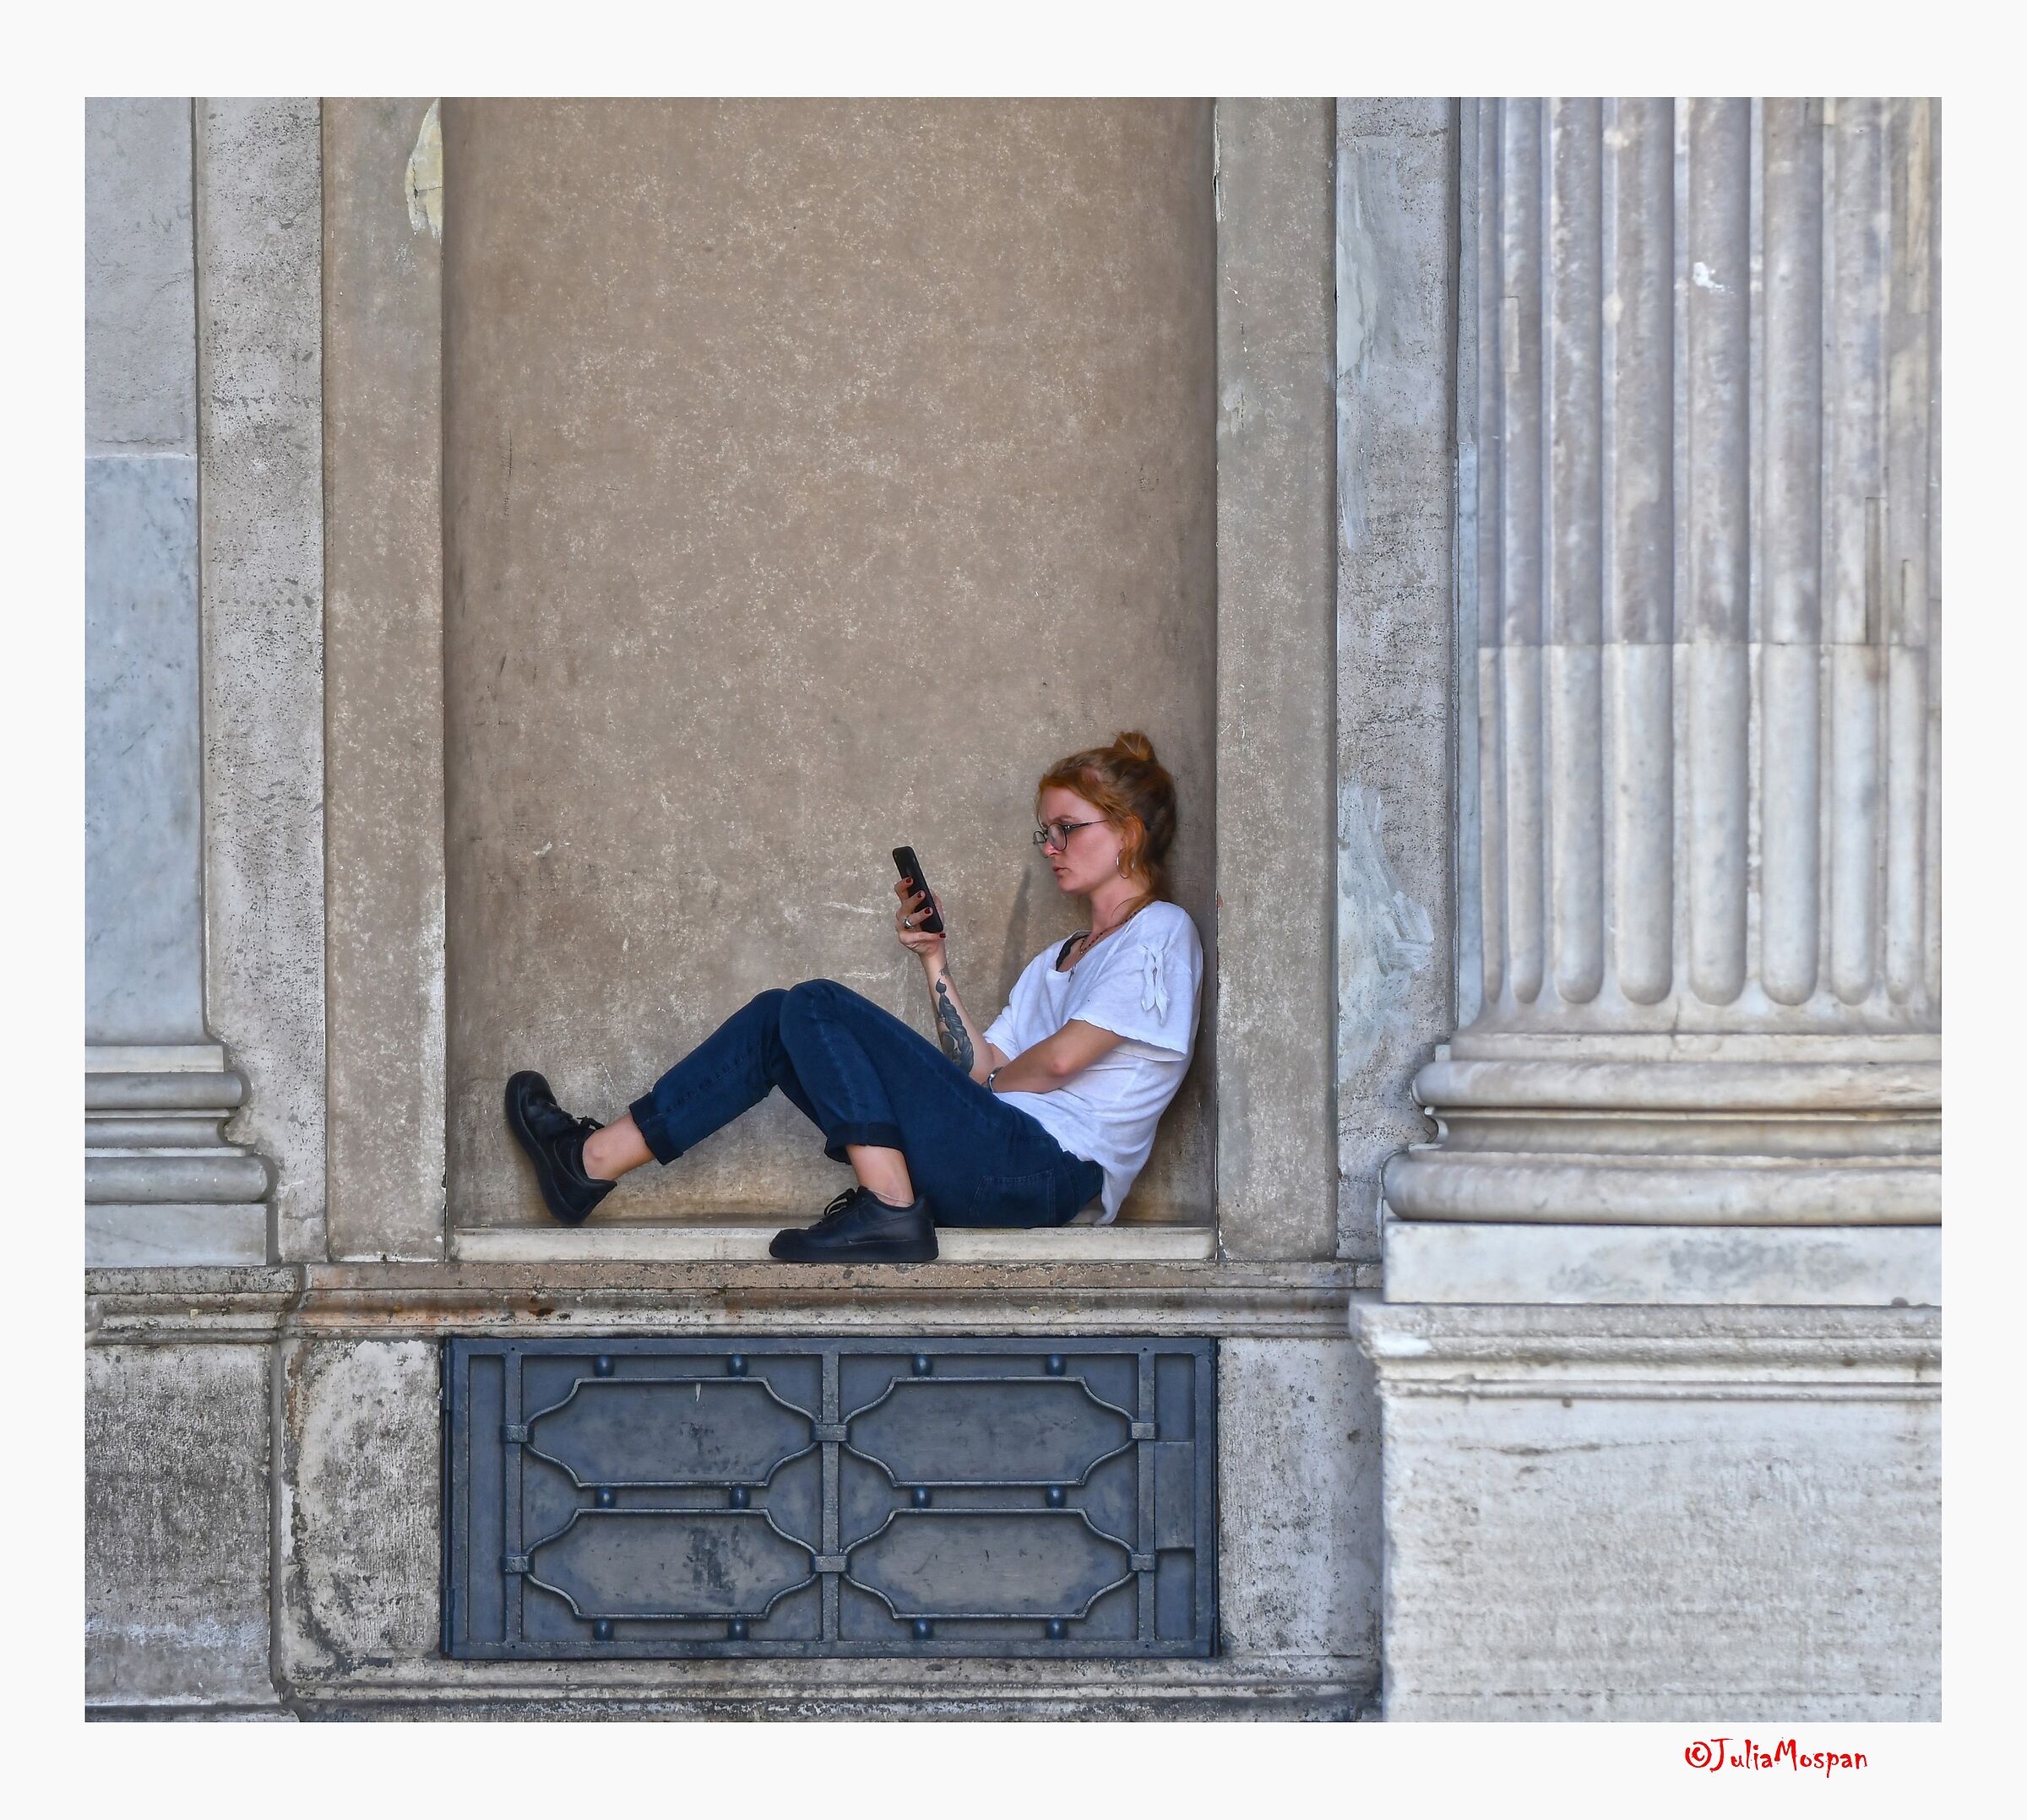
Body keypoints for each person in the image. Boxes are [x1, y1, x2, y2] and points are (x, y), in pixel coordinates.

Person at [503, 731, 1204, 1263]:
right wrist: (936, 961)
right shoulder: (1056, 961)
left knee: (817, 1004)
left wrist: (990, 1082)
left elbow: (1056, 1064)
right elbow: (973, 1066)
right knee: (782, 1017)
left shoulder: (1160, 933)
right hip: (996, 1155)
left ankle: (890, 1205)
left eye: (1067, 829)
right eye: (1043, 832)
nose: (1049, 846)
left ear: (1128, 833)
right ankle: (588, 1164)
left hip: (1052, 1174)